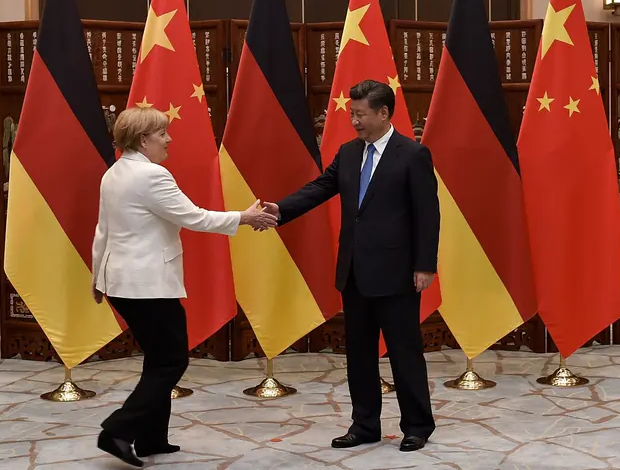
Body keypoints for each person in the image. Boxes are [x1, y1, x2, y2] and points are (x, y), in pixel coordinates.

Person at [91, 106, 277, 467]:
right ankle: (117, 430)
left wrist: (98, 277)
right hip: (147, 285)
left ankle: (150, 438)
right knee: (171, 361)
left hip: (122, 282)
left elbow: (103, 230)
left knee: (158, 359)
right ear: (144, 140)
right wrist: (246, 217)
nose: (168, 139)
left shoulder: (113, 173)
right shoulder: (152, 176)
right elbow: (194, 217)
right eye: (162, 133)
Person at [263, 79, 440, 452]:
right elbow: (320, 188)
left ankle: (417, 426)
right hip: (355, 271)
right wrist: (282, 209)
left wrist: (425, 265)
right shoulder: (347, 152)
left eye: (360, 114)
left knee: (404, 352)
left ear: (384, 113)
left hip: (397, 272)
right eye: (352, 114)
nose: (355, 122)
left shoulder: (412, 154)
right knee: (359, 354)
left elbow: (428, 214)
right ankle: (364, 425)